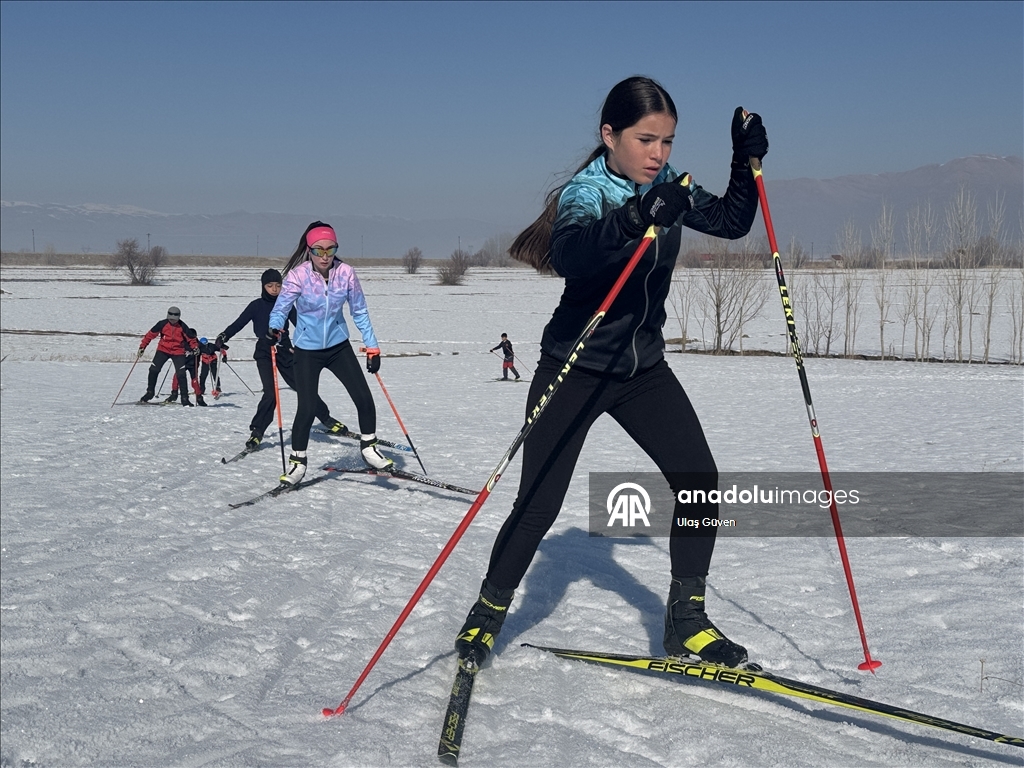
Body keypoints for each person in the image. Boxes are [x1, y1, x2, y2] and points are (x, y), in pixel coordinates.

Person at [454, 77, 768, 668]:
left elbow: (732, 222)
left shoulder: (669, 189)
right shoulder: (587, 191)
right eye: (646, 139)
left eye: (668, 142)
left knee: (700, 482)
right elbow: (574, 253)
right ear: (609, 135)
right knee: (539, 503)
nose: (658, 154)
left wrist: (744, 160)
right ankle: (487, 615)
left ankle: (687, 622)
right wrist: (636, 215)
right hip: (576, 366)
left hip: (642, 369)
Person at [269, 222, 392, 484]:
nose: (325, 256)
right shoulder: (297, 276)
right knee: (308, 406)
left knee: (363, 397)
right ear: (309, 249)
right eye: (318, 250)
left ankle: (369, 447)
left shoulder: (346, 273)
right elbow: (281, 309)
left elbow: (359, 311)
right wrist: (274, 328)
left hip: (338, 347)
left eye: (330, 249)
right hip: (307, 351)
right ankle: (298, 463)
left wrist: (373, 347)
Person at [217, 269, 347, 450]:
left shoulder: (286, 304)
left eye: (278, 285)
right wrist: (224, 336)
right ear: (263, 286)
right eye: (270, 286)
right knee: (270, 394)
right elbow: (239, 324)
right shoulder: (256, 306)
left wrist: (318, 338)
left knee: (303, 388)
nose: (274, 289)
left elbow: (302, 324)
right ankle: (257, 432)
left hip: (285, 350)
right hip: (264, 351)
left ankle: (326, 418)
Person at [137, 306, 199, 406]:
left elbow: (191, 339)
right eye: (170, 319)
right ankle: (150, 392)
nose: (172, 321)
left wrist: (195, 347)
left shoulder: (183, 326)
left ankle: (184, 398)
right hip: (163, 350)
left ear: (178, 318)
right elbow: (150, 335)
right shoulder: (162, 324)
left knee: (181, 374)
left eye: (174, 319)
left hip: (178, 352)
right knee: (153, 370)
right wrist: (142, 347)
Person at [167, 334, 221, 406]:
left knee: (194, 381)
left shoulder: (198, 344)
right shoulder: (183, 343)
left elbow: (208, 349)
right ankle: (174, 394)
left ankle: (199, 398)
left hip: (193, 365)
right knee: (176, 377)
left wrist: (215, 349)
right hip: (183, 363)